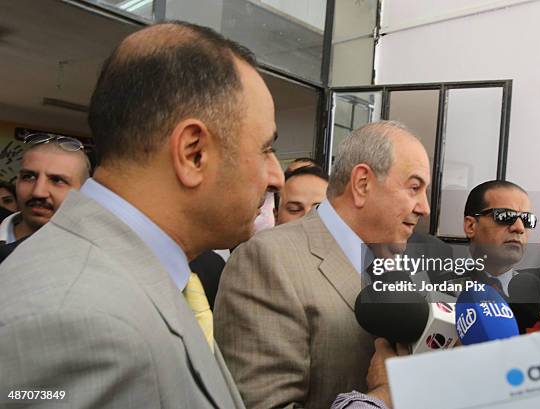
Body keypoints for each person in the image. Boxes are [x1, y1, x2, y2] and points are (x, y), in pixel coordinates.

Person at [0, 21, 285, 408]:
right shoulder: (78, 322)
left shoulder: (146, 279)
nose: (277, 176)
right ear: (193, 153)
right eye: (266, 149)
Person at [215, 120, 430, 409]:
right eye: (414, 188)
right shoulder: (268, 260)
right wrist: (383, 397)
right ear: (362, 183)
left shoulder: (409, 267)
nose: (424, 207)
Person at [0, 135, 90, 246]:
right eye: (29, 177)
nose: (38, 192)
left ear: (83, 192)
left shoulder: (95, 254)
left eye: (57, 180)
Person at [461, 180, 536, 296]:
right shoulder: (435, 286)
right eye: (505, 216)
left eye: (527, 220)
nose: (519, 228)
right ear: (471, 226)